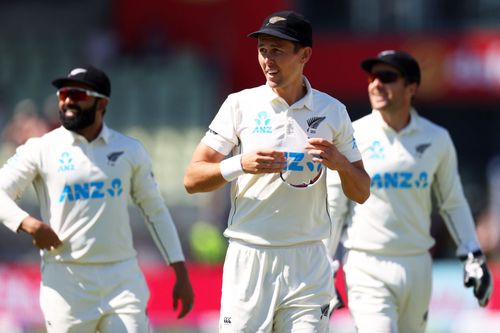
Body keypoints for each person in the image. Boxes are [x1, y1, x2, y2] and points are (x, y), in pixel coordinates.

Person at [184, 10, 370, 332]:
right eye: (263, 50)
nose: (268, 60)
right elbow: (192, 178)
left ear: (305, 55)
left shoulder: (332, 111)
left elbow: (362, 191)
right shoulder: (239, 105)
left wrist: (338, 162)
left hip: (308, 261)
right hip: (250, 255)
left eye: (278, 51)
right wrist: (240, 164)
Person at [0, 65, 194, 333]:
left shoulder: (129, 150)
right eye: (63, 94)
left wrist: (179, 269)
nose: (67, 100)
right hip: (67, 280)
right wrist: (29, 224)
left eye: (77, 95)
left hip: (122, 278)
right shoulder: (41, 149)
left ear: (101, 103)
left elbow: (155, 210)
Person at [324, 50, 493, 333]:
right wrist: (325, 264)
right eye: (372, 76)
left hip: (417, 264)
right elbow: (334, 206)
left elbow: (452, 202)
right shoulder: (352, 135)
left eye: (387, 77)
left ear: (411, 87)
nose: (376, 84)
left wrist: (472, 253)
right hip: (367, 263)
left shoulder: (436, 138)